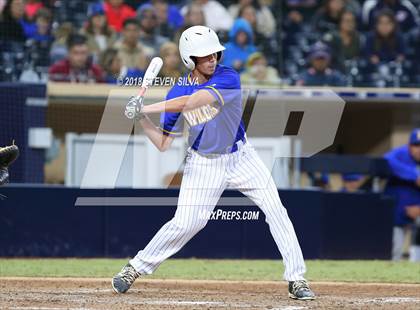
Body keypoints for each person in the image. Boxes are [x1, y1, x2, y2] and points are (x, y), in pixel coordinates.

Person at [112, 25, 316, 301]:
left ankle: (296, 279)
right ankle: (135, 268)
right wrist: (141, 119)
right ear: (189, 59)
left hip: (242, 157)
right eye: (204, 55)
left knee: (275, 209)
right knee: (186, 224)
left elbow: (194, 100)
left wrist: (146, 107)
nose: (212, 59)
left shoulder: (228, 77)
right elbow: (162, 143)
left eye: (214, 53)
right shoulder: (174, 93)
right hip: (203, 164)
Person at [384, 129, 420, 261]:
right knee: (395, 251)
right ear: (409, 145)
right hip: (396, 216)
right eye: (416, 145)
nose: (419, 149)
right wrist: (414, 175)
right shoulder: (401, 154)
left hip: (416, 214)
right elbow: (386, 160)